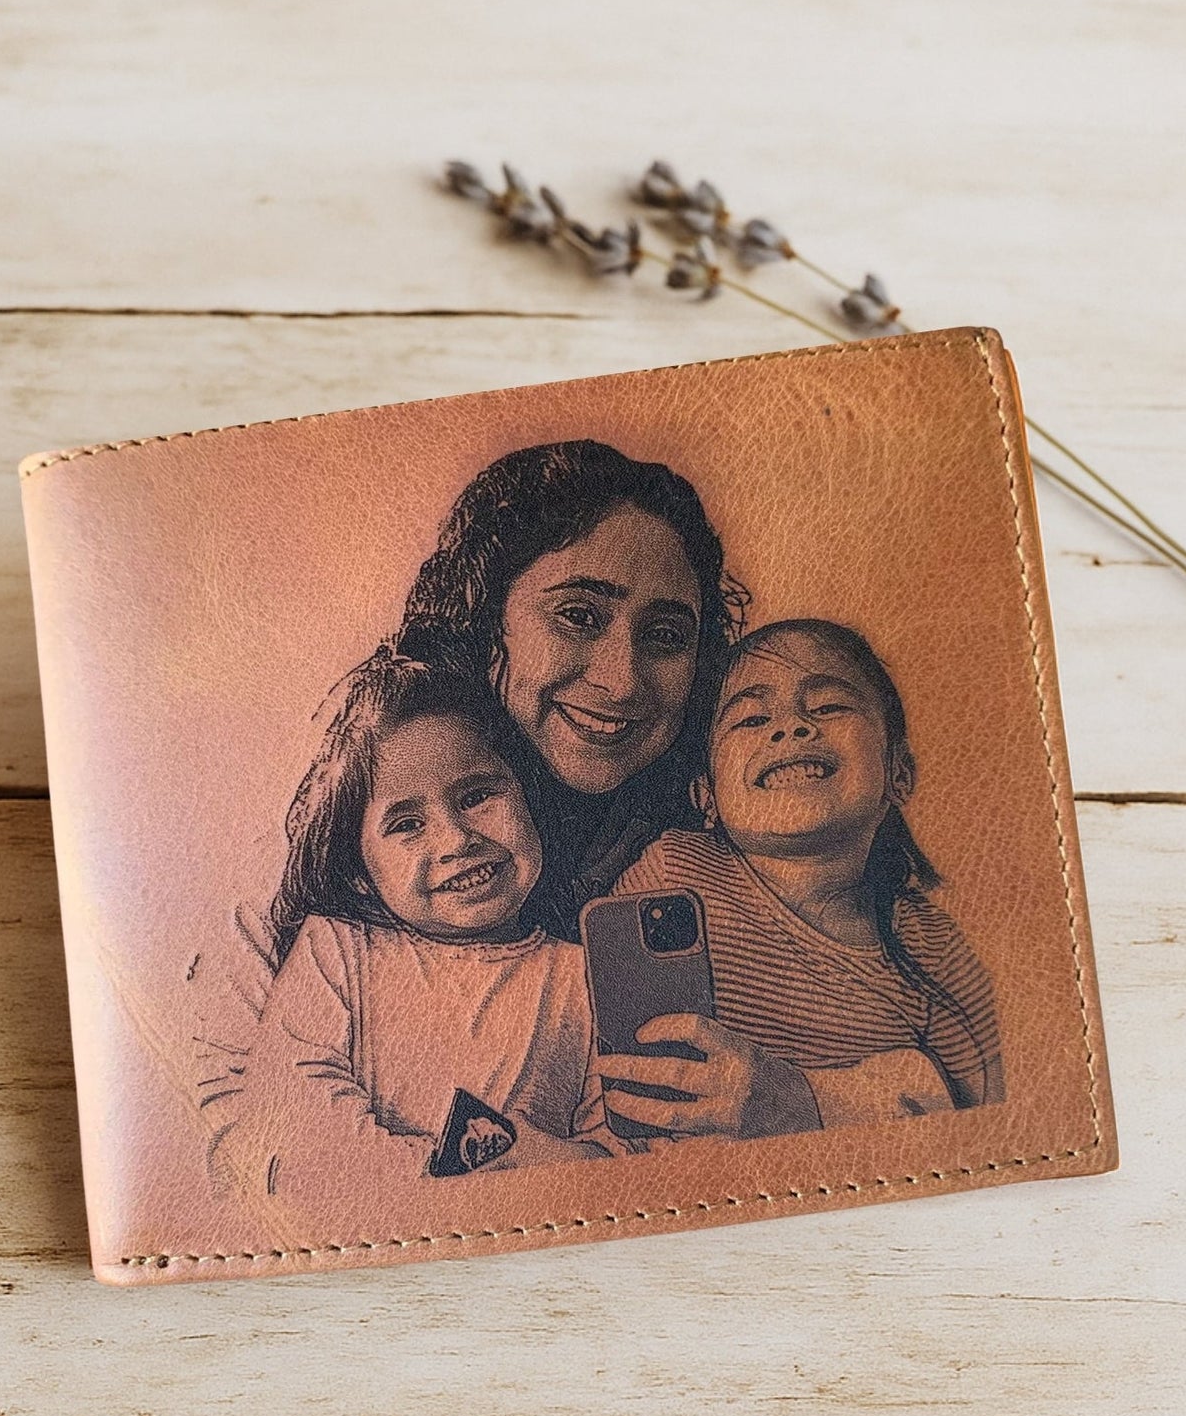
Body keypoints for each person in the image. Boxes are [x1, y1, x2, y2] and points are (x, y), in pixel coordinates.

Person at [392, 438, 822, 1139]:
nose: (621, 680)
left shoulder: (723, 869)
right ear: (482, 615)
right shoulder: (363, 846)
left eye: (663, 636)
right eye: (579, 617)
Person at [201, 651, 623, 1204]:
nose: (455, 840)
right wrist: (453, 1176)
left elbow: (615, 1154)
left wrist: (549, 1172)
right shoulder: (338, 950)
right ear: (359, 866)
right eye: (406, 824)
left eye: (477, 797)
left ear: (529, 797)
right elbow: (296, 1114)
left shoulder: (587, 973)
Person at [603, 619, 1004, 1132]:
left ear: (899, 772)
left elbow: (984, 1126)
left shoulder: (934, 943)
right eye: (750, 719)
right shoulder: (675, 869)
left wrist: (805, 1100)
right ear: (706, 797)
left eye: (828, 708)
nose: (790, 727)